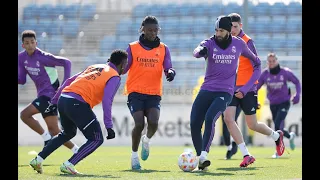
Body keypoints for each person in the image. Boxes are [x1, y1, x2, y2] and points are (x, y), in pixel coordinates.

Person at [29, 50, 128, 175]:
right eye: (127, 63)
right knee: (96, 138)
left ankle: (38, 159)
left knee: (68, 133)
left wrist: (55, 100)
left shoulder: (95, 66)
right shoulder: (114, 76)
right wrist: (109, 126)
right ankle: (69, 164)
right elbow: (107, 100)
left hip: (64, 99)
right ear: (123, 64)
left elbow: (69, 80)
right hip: (77, 103)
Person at [191, 15, 261, 170]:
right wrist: (199, 51)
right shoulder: (209, 43)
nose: (217, 33)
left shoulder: (239, 44)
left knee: (211, 117)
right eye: (216, 30)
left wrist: (246, 88)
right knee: (194, 123)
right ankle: (200, 160)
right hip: (206, 89)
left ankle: (204, 155)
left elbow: (257, 63)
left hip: (225, 91)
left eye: (221, 30)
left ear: (228, 31)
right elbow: (197, 50)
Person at [223, 13, 285, 168]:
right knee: (228, 118)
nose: (233, 30)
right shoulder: (227, 42)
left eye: (236, 27)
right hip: (232, 88)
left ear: (241, 26)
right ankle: (246, 154)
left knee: (252, 124)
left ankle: (277, 136)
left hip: (248, 89)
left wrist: (246, 89)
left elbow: (257, 68)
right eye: (230, 27)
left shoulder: (248, 42)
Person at [123, 15, 176, 170]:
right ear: (143, 30)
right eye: (150, 30)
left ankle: (146, 141)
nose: (153, 33)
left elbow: (168, 66)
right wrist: (114, 66)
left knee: (153, 123)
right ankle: (134, 157)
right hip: (135, 92)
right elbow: (124, 67)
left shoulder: (163, 48)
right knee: (139, 123)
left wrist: (170, 72)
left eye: (155, 30)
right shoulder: (132, 47)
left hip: (153, 93)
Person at [18, 30, 78, 153]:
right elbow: (22, 80)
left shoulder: (43, 57)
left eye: (32, 42)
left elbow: (67, 62)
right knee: (55, 130)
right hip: (43, 95)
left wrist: (64, 85)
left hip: (50, 95)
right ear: (22, 45)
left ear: (36, 43)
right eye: (27, 43)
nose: (30, 45)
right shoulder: (21, 57)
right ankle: (76, 150)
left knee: (25, 115)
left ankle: (46, 138)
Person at [257, 53, 301, 158]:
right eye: (269, 61)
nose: (271, 63)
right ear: (267, 62)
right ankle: (290, 136)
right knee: (279, 127)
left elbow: (297, 82)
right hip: (273, 104)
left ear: (277, 61)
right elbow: (256, 88)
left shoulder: (285, 72)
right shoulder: (265, 74)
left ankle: (278, 151)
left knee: (277, 125)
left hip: (284, 102)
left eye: (273, 61)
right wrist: (255, 100)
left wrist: (298, 94)